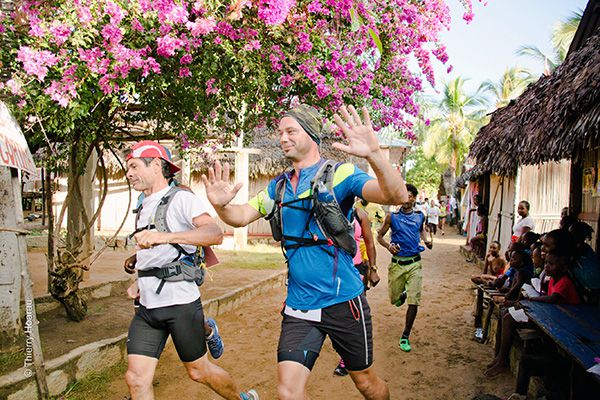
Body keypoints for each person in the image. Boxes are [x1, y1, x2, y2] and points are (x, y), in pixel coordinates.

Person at [202, 104, 406, 400]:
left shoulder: (342, 174)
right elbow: (240, 216)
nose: (282, 138)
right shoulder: (279, 187)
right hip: (299, 306)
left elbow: (395, 195)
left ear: (311, 135)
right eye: (280, 132)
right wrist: (220, 206)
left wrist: (374, 154)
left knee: (365, 383)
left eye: (291, 131)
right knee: (288, 392)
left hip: (343, 300)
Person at [123, 141, 258, 400]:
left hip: (179, 304)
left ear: (155, 164)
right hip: (147, 307)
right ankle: (206, 328)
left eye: (134, 166)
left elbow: (213, 233)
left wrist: (161, 237)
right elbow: (160, 247)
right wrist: (139, 267)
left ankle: (242, 398)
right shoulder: (143, 204)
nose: (129, 173)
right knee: (136, 380)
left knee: (198, 372)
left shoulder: (181, 198)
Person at [484, 250, 580, 378]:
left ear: (564, 268)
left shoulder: (564, 282)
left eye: (551, 264)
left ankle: (502, 360)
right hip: (551, 316)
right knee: (505, 313)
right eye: (546, 263)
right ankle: (500, 357)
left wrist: (532, 300)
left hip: (564, 324)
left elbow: (552, 299)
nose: (546, 266)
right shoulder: (553, 280)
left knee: (508, 318)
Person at [377, 183, 432, 353]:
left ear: (414, 198)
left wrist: (427, 239)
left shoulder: (419, 216)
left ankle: (405, 335)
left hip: (415, 263)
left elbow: (421, 231)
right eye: (403, 196)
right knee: (394, 300)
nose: (406, 199)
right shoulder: (391, 217)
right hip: (397, 265)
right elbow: (379, 236)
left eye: (409, 196)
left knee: (414, 302)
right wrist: (388, 247)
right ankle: (402, 294)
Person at [333, 206, 380, 377]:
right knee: (338, 311)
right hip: (334, 270)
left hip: (357, 269)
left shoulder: (360, 215)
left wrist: (373, 269)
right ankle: (345, 352)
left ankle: (349, 358)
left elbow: (369, 243)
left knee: (356, 311)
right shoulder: (325, 208)